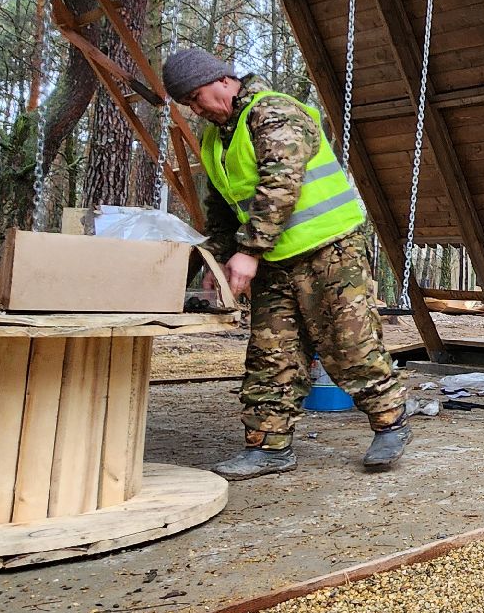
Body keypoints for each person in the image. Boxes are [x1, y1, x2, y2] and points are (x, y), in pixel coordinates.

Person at [162, 47, 409, 480]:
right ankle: (269, 447)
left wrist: (249, 252)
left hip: (329, 253)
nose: (196, 109)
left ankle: (390, 423)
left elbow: (281, 184)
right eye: (188, 104)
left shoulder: (273, 112)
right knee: (271, 355)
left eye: (197, 97)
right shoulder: (216, 138)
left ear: (223, 81)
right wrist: (215, 264)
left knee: (351, 344)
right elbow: (222, 208)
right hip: (275, 262)